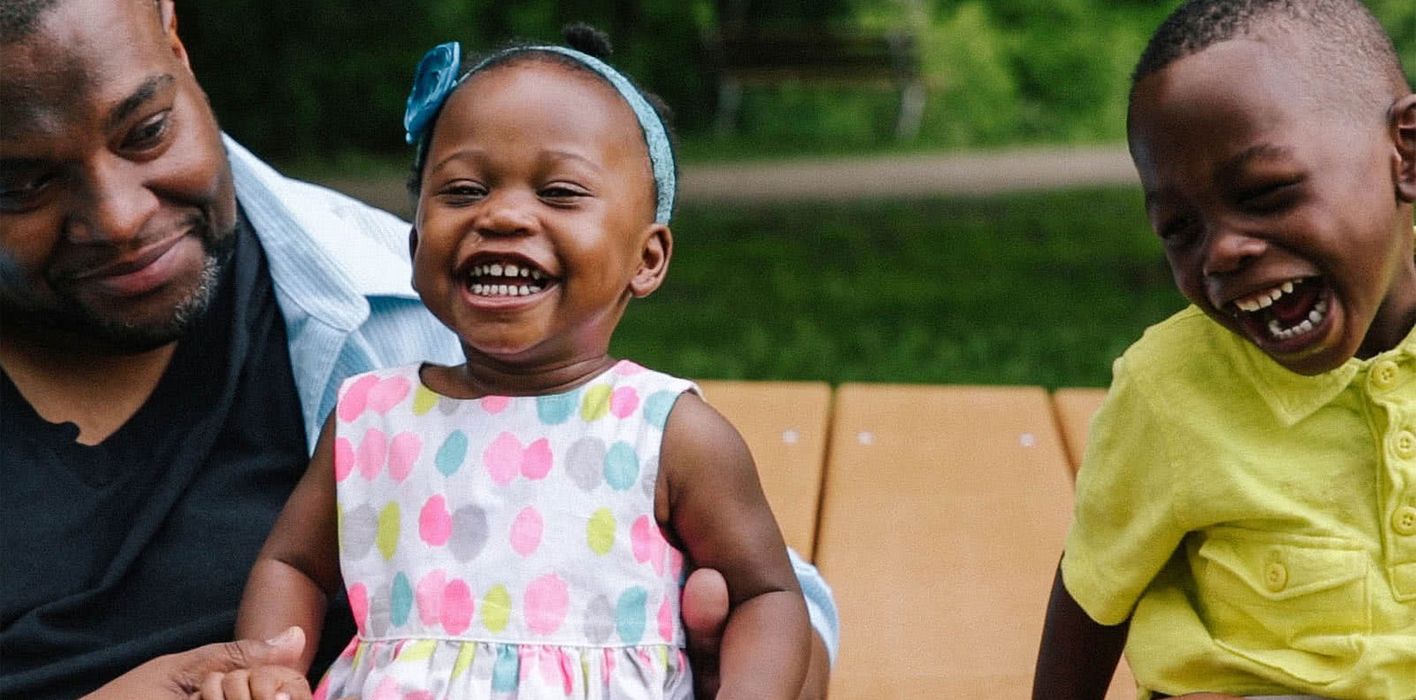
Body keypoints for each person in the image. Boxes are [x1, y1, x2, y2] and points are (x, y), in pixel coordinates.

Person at [0, 1, 838, 698]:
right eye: (21, 182)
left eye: (146, 130)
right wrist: (272, 671)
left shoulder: (650, 422)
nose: (116, 217)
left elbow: (772, 596)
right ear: (420, 231)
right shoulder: (374, 418)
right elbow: (293, 561)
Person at [1032, 0, 1416, 698]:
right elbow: (1091, 592)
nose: (1223, 251)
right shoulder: (1172, 387)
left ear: (1407, 155)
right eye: (1180, 230)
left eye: (1267, 193)